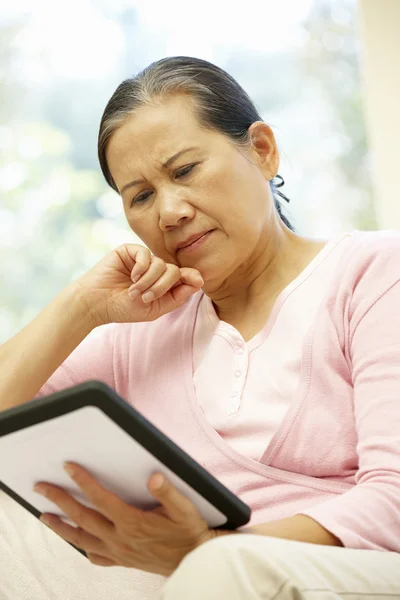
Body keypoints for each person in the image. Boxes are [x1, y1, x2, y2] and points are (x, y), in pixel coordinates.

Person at [1, 56, 400, 600]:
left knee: (222, 572)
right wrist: (81, 308)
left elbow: (393, 500)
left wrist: (209, 549)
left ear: (262, 150)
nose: (168, 212)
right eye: (139, 196)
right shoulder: (137, 331)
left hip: (340, 573)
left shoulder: (373, 275)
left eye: (185, 170)